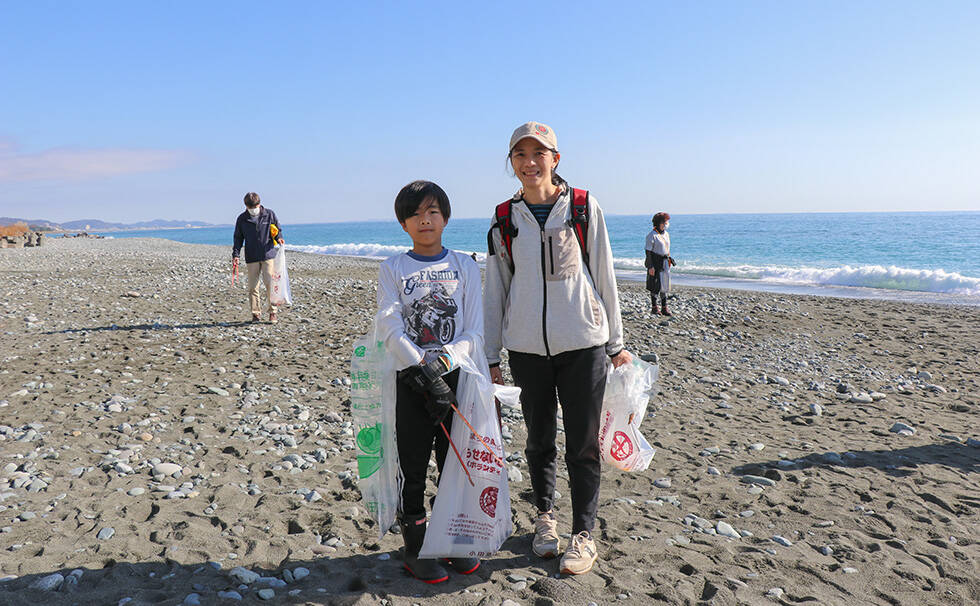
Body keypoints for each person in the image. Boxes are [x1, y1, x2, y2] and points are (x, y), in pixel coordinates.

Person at [484, 121, 632, 576]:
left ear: (555, 158)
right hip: (526, 348)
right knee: (540, 441)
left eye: (538, 153)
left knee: (583, 445)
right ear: (511, 163)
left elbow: (604, 275)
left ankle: (583, 533)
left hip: (583, 343)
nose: (530, 163)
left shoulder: (584, 208)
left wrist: (616, 345)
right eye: (520, 155)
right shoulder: (504, 218)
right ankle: (545, 519)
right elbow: (496, 289)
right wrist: (492, 356)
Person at [376, 180, 485, 584]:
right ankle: (415, 547)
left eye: (434, 211)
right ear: (404, 223)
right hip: (410, 380)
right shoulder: (394, 268)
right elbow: (389, 328)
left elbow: (474, 331)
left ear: (445, 218)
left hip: (457, 378)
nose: (426, 220)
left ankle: (452, 539)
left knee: (454, 462)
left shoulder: (464, 265)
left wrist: (444, 363)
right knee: (414, 463)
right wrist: (422, 368)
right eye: (416, 214)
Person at [232, 192, 284, 323]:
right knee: (253, 287)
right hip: (251, 256)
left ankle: (273, 312)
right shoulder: (242, 219)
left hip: (268, 255)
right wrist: (236, 255)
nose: (253, 209)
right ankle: (256, 314)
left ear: (259, 204)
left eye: (255, 206)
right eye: (250, 207)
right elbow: (238, 238)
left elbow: (277, 230)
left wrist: (279, 238)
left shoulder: (269, 214)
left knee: (270, 283)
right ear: (246, 206)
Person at [645, 212, 676, 316]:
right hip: (655, 262)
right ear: (660, 223)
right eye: (665, 221)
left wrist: (669, 260)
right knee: (655, 285)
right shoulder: (652, 235)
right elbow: (648, 252)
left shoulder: (666, 234)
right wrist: (650, 266)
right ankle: (654, 307)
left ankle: (664, 307)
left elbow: (667, 249)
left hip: (665, 262)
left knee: (665, 284)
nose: (667, 223)